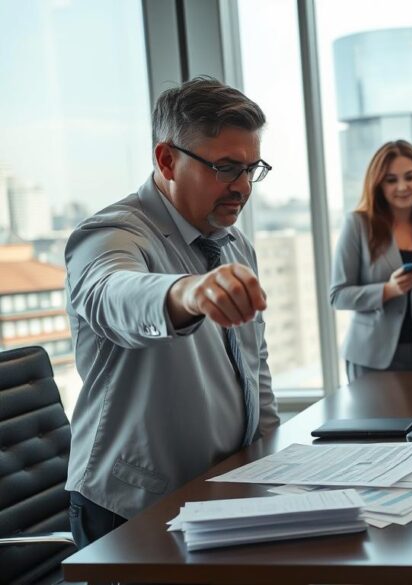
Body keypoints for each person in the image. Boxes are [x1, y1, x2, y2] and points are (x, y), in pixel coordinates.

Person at [63, 77, 279, 546]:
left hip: (222, 489)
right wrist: (188, 293)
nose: (242, 188)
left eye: (251, 169)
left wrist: (271, 457)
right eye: (225, 168)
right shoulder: (111, 232)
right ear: (166, 160)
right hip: (133, 508)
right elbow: (110, 292)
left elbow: (254, 362)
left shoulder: (234, 242)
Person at [329, 140, 412, 380]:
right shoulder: (357, 224)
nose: (402, 186)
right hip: (371, 358)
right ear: (378, 185)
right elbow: (338, 296)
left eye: (410, 177)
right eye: (391, 180)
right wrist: (388, 290)